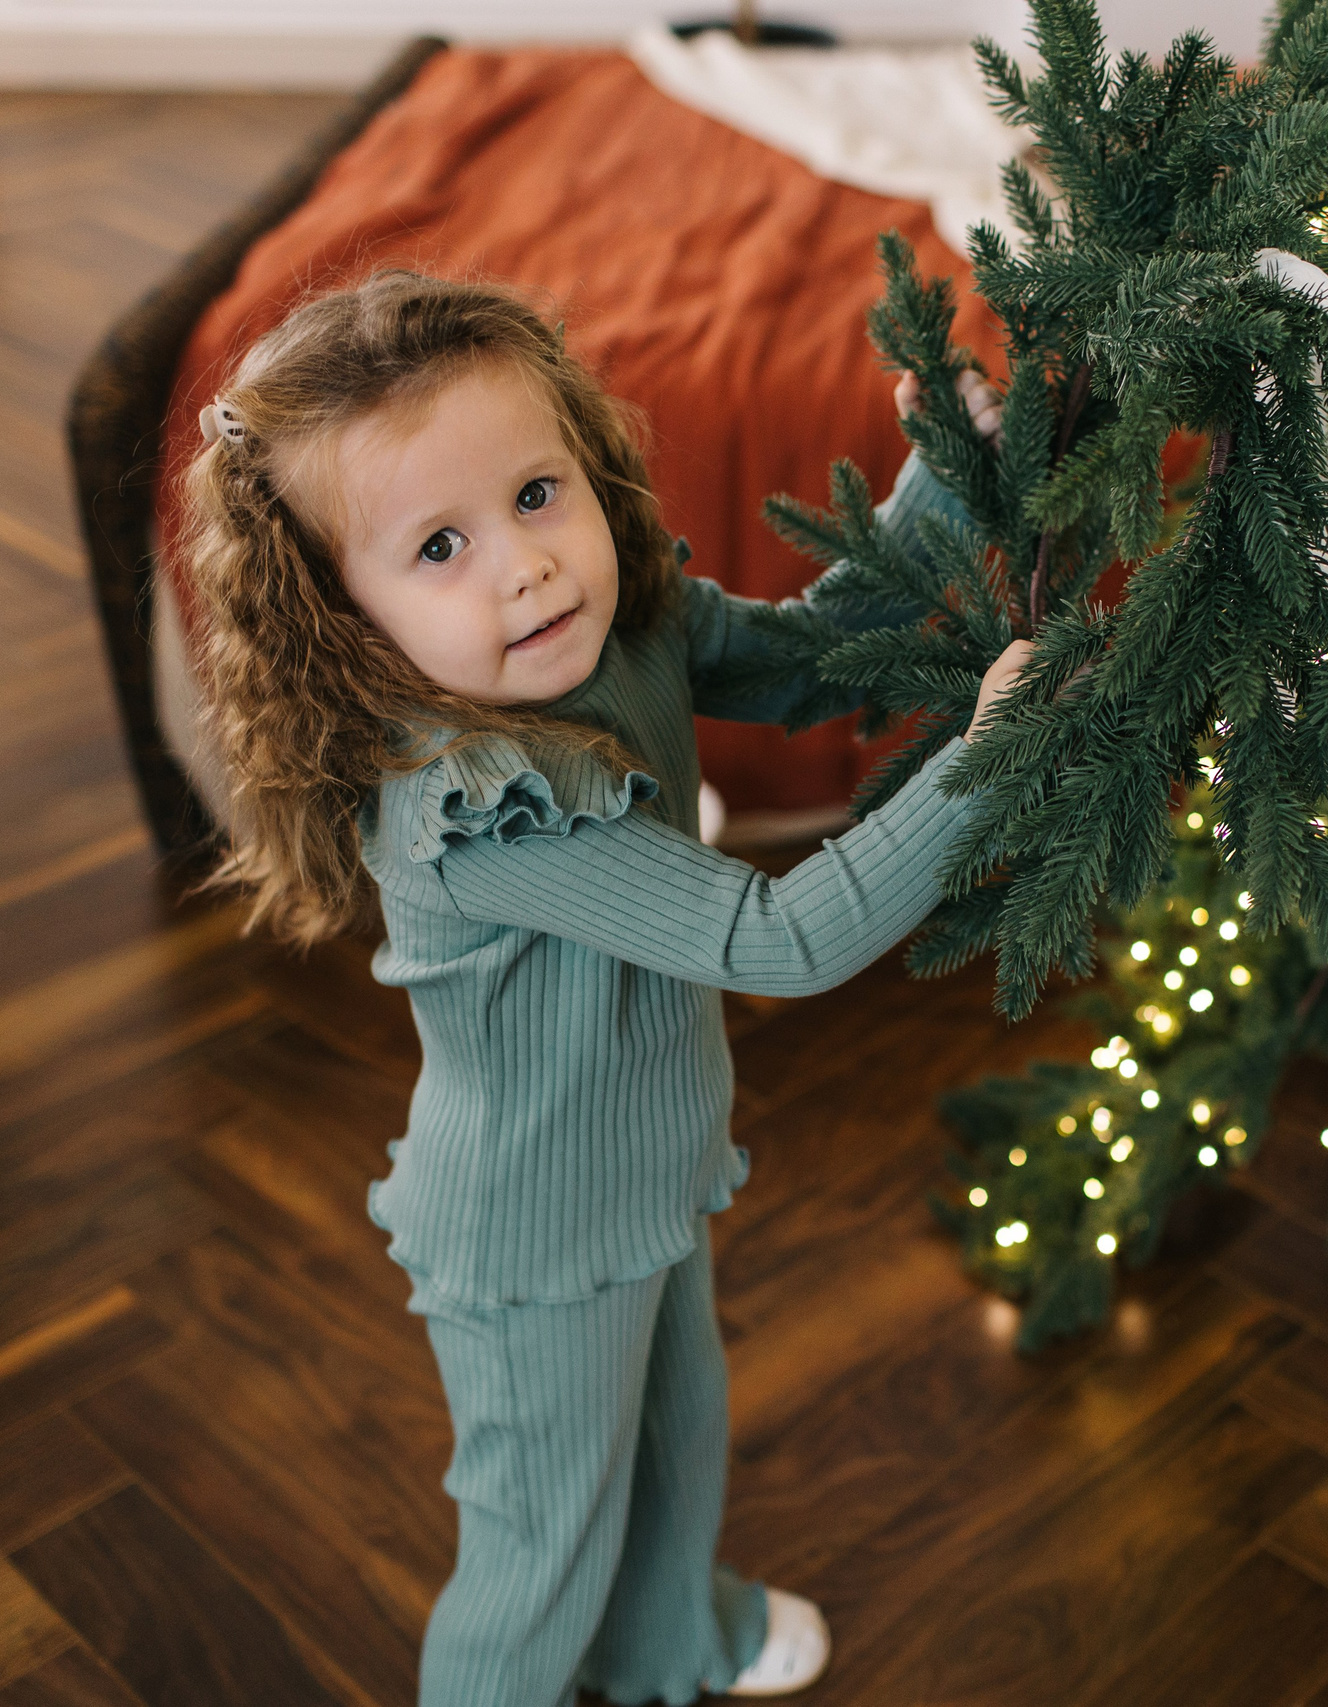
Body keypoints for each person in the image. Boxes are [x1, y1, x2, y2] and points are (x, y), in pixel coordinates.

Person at [177, 269, 1029, 1706]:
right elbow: (780, 937)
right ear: (342, 616)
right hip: (529, 1231)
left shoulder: (620, 627)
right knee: (539, 1548)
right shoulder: (469, 803)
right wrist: (998, 755)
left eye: (535, 492)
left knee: (680, 1437)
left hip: (648, 1165)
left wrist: (941, 485)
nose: (524, 566)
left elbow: (812, 660)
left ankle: (666, 1645)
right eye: (438, 545)